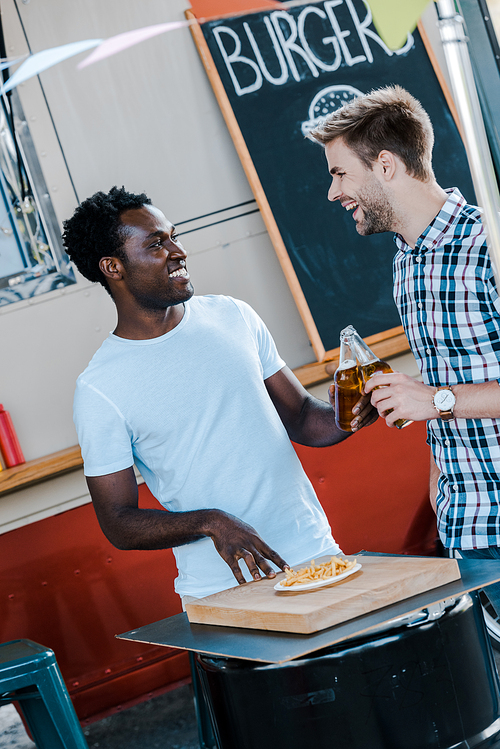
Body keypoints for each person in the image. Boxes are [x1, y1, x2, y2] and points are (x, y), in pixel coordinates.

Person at [62, 186, 375, 604]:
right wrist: (211, 522)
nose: (178, 251)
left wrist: (352, 408)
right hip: (221, 591)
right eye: (156, 244)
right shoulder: (100, 388)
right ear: (112, 267)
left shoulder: (232, 315)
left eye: (174, 236)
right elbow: (119, 522)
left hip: (316, 556)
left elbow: (302, 417)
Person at [309, 85, 500, 611]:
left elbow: (441, 395)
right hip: (470, 529)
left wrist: (435, 399)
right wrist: (442, 492)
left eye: (340, 173)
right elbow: (450, 385)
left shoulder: (490, 244)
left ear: (386, 165)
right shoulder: (407, 262)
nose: (333, 193)